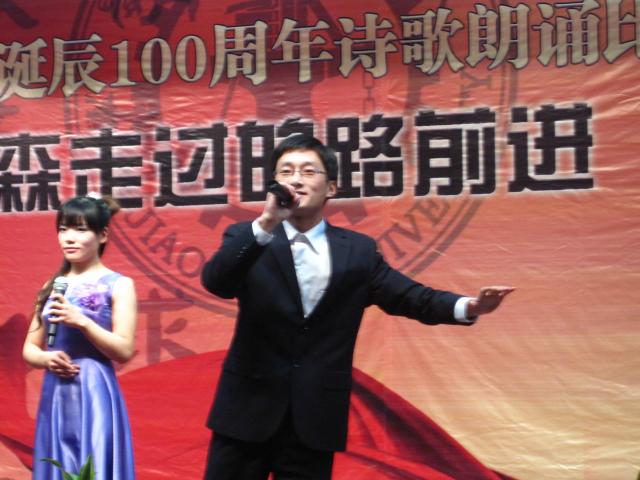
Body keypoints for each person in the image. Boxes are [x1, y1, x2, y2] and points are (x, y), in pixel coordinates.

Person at [200, 134, 514, 480]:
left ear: (331, 188)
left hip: (315, 415)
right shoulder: (248, 237)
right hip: (246, 410)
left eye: (308, 171)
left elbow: (410, 297)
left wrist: (471, 306)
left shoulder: (357, 251)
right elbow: (217, 282)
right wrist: (266, 223)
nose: (296, 180)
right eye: (286, 171)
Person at [22, 195, 137, 480]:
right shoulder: (52, 285)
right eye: (63, 229)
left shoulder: (120, 285)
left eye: (80, 229)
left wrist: (83, 321)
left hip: (94, 389)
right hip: (56, 393)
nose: (69, 238)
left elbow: (124, 350)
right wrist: (46, 358)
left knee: (94, 465)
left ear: (102, 235)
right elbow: (30, 348)